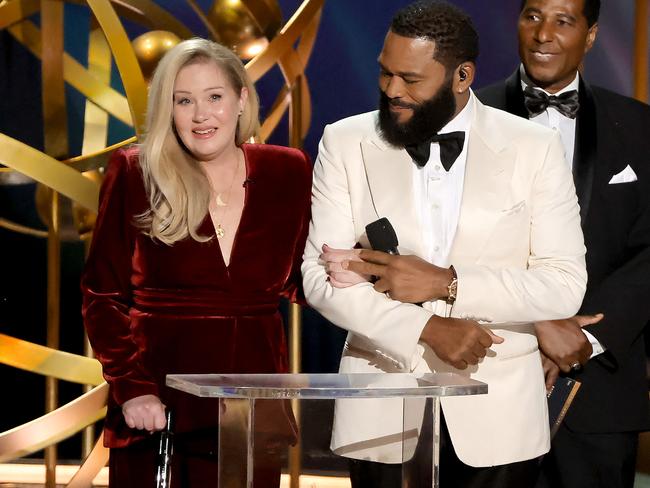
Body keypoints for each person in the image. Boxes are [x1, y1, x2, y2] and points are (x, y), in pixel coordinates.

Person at [301, 1, 588, 487]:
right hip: (381, 406)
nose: (392, 90)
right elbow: (320, 278)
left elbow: (563, 285)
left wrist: (448, 284)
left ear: (462, 76)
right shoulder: (345, 141)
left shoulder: (533, 148)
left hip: (499, 414)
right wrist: (426, 327)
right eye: (385, 73)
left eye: (410, 79)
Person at [81, 38, 311, 487]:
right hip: (158, 409)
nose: (201, 115)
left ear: (241, 99)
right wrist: (133, 389)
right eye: (184, 101)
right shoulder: (136, 171)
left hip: (252, 406)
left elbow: (298, 278)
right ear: (168, 109)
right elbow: (101, 297)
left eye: (215, 97)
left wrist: (347, 273)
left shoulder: (288, 170)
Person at [478, 1, 650, 486]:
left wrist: (583, 336)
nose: (543, 34)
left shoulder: (638, 126)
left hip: (598, 391)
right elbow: (448, 244)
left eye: (563, 21)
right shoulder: (467, 119)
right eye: (532, 17)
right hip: (488, 372)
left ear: (591, 35)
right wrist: (536, 326)